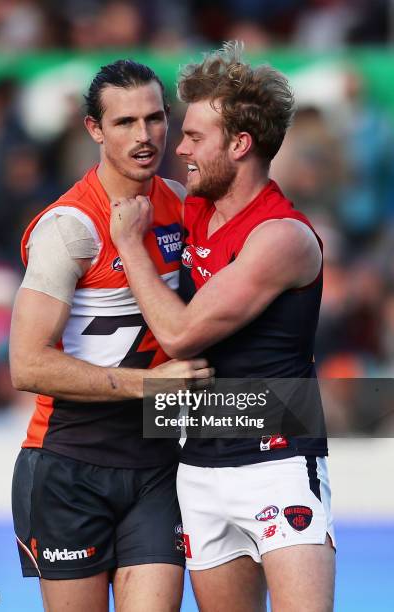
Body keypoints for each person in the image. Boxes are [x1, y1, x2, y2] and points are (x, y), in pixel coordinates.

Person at [110, 43, 336, 612]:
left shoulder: (281, 237)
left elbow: (183, 335)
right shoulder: (197, 210)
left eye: (194, 137)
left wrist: (129, 249)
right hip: (200, 463)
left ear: (240, 145)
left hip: (275, 461)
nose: (177, 149)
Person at [9, 59, 213, 612]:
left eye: (154, 118)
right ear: (94, 130)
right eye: (124, 123)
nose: (144, 136)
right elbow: (27, 366)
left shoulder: (184, 206)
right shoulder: (69, 227)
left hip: (157, 463)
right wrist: (149, 387)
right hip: (68, 463)